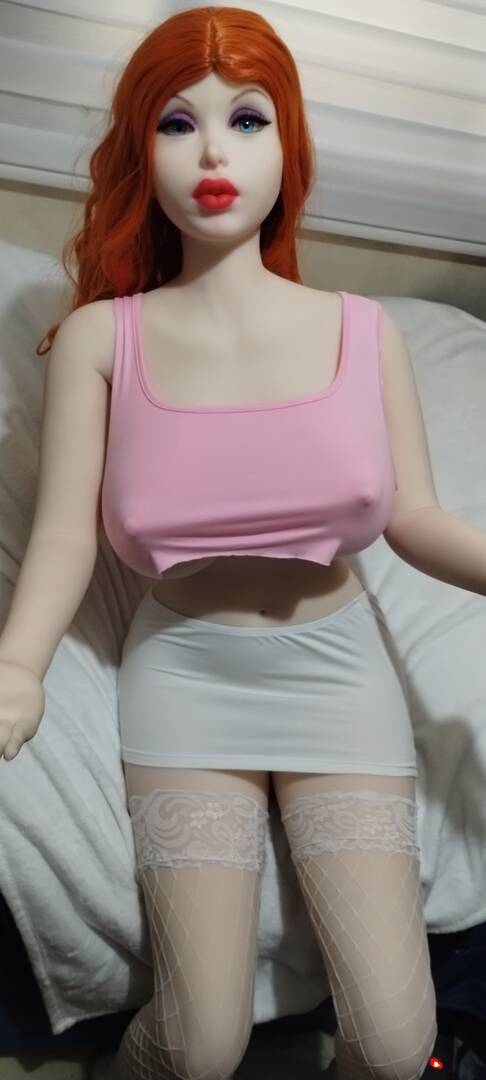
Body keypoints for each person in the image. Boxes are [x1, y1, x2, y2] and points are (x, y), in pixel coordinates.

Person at [6, 5, 486, 1078]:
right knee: (198, 1042)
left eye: (249, 120)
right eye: (178, 124)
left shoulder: (366, 332)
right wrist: (17, 666)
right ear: (142, 152)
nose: (215, 154)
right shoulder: (103, 340)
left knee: (396, 1043)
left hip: (340, 672)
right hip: (186, 677)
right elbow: (64, 536)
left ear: (289, 144)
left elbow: (413, 519)